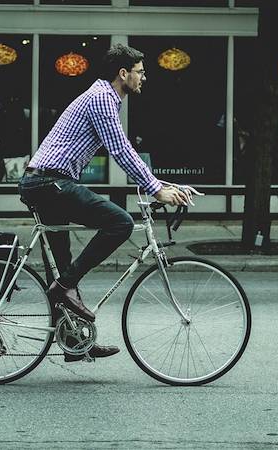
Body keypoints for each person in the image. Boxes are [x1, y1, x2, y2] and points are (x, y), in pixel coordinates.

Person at [18, 44, 189, 362]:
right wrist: (155, 189)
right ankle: (63, 288)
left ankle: (73, 339)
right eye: (140, 71)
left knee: (64, 264)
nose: (144, 77)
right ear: (123, 73)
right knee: (120, 222)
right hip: (48, 182)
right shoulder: (101, 100)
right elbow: (121, 151)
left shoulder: (104, 97)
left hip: (47, 182)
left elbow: (124, 151)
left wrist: (167, 186)